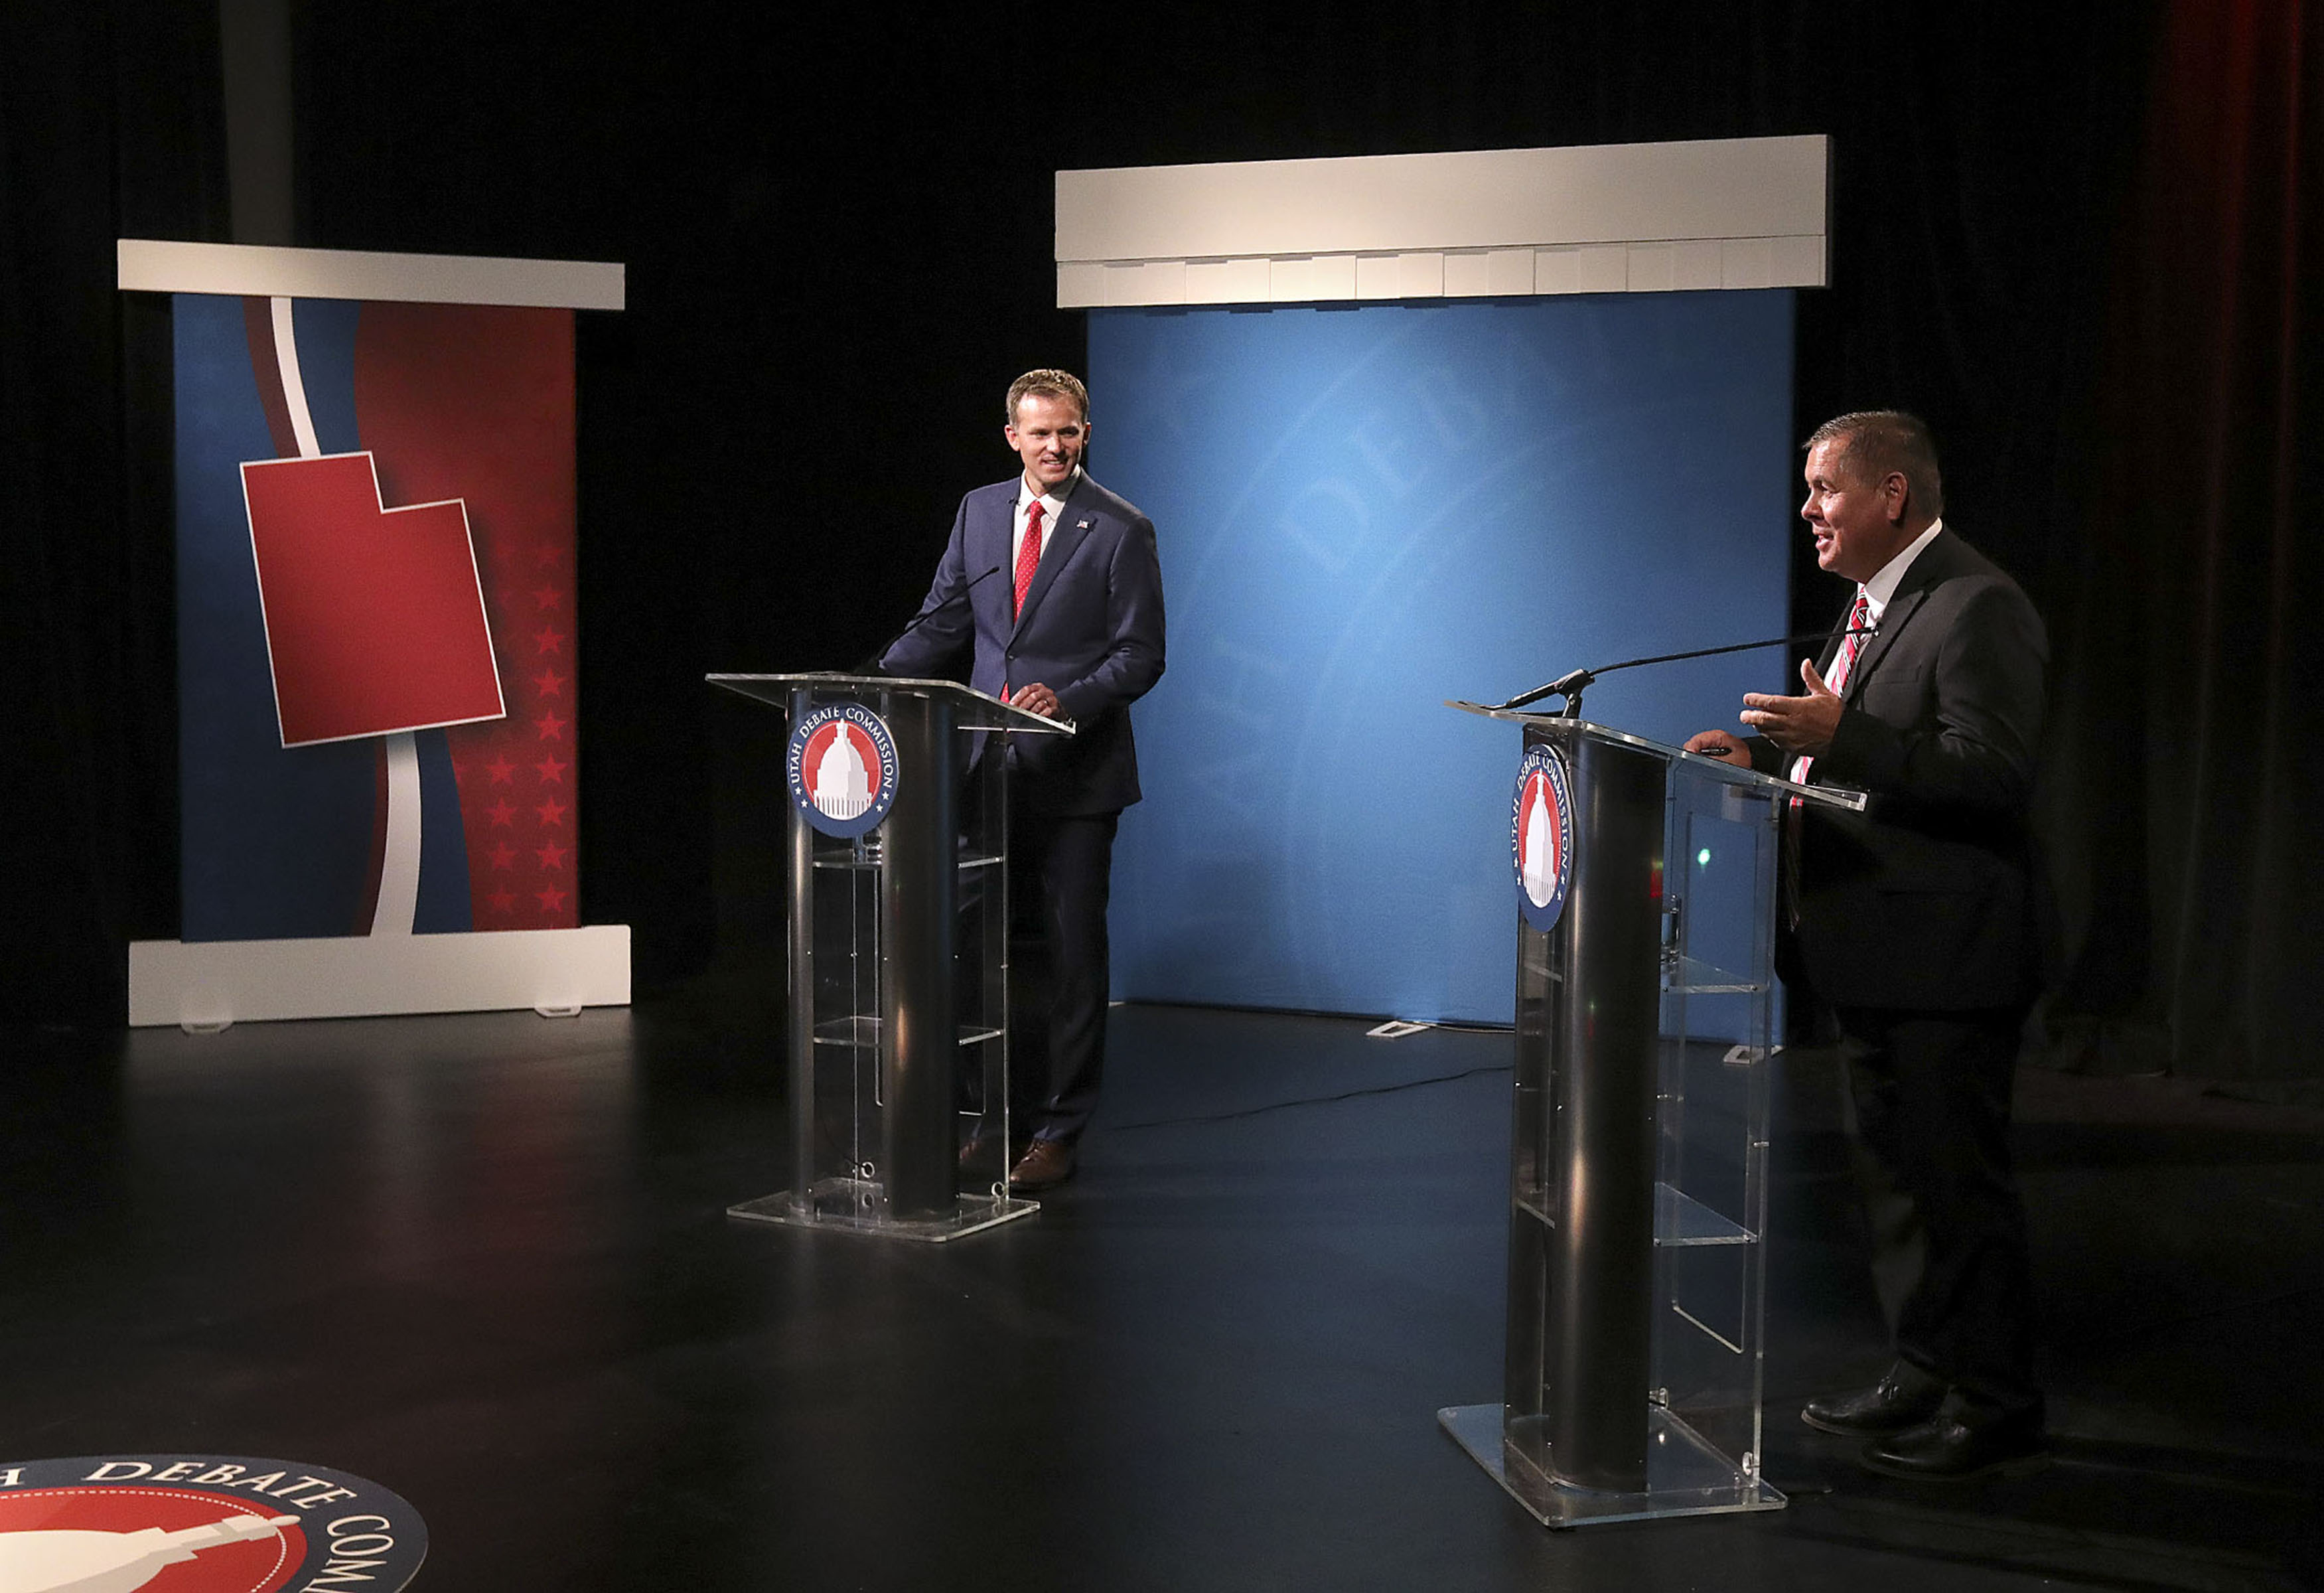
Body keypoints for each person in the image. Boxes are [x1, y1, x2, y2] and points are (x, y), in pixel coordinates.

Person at [1688, 411, 2048, 1481]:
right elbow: (1871, 764)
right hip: (1874, 954)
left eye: (1824, 489)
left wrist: (1840, 737)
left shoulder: (1977, 605)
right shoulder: (1872, 609)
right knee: (1895, 1185)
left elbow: (1991, 775)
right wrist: (1763, 754)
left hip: (1948, 959)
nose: (1807, 510)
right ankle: (1919, 1368)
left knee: (1955, 1188)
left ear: (1892, 497)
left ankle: (1995, 1402)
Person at [879, 370, 1165, 1193]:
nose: (1054, 447)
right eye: (1039, 433)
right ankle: (988, 1118)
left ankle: (1059, 1131)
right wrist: (867, 681)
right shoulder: (978, 511)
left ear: (1085, 432)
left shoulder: (1121, 529)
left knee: (1074, 959)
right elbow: (944, 620)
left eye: (1068, 432)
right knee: (965, 953)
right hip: (982, 772)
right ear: (1012, 436)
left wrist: (1065, 702)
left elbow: (1140, 654)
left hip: (1078, 779)